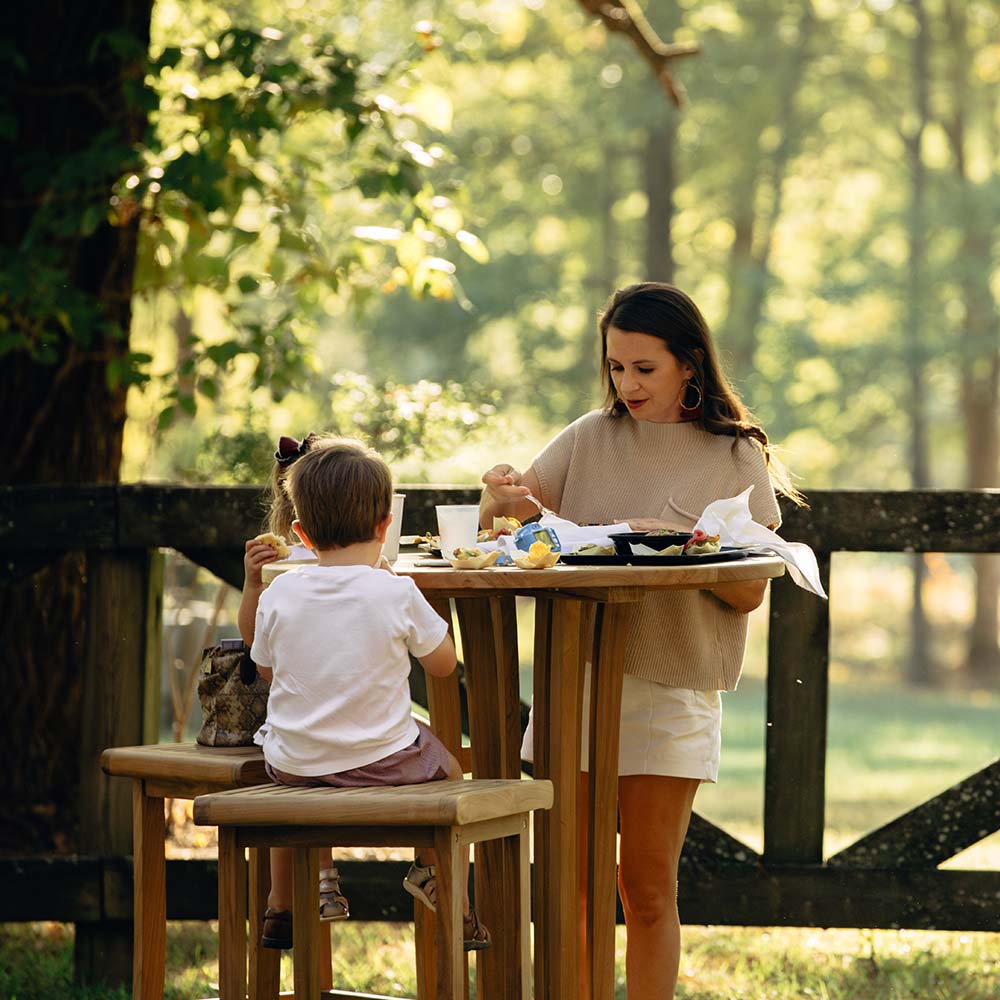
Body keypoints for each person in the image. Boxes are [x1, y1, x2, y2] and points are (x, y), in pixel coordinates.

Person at [479, 282, 803, 999]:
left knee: (646, 888)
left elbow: (750, 592)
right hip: (577, 682)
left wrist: (694, 551)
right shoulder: (588, 438)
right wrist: (499, 496)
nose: (627, 384)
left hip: (672, 689)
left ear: (689, 363)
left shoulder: (736, 453)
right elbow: (502, 537)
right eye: (616, 367)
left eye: (644, 368)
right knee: (577, 885)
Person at [247, 436, 491, 951]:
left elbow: (264, 668)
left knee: (296, 789)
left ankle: (284, 901)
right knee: (448, 767)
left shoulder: (280, 591)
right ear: (385, 526)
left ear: (300, 533)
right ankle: (437, 880)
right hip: (381, 762)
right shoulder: (396, 590)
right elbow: (444, 667)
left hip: (292, 762)